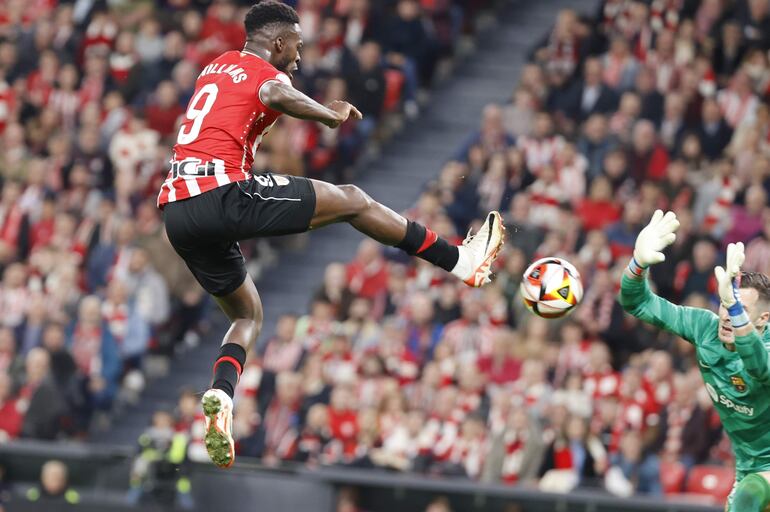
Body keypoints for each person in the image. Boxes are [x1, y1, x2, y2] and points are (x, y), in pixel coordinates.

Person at [157, 0, 506, 469]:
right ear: (278, 42)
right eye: (297, 46)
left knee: (247, 314)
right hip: (219, 191)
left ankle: (221, 395)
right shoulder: (267, 73)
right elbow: (276, 94)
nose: (299, 58)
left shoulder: (216, 65)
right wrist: (327, 115)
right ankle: (461, 261)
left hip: (177, 211)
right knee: (353, 200)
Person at [619, 209, 770, 511]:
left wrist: (735, 309)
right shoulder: (705, 327)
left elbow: (759, 367)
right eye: (725, 303)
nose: (728, 315)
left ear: (764, 319)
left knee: (747, 499)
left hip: (761, 473)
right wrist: (637, 265)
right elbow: (637, 303)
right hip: (750, 467)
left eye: (738, 307)